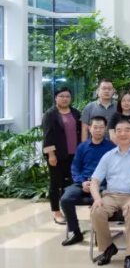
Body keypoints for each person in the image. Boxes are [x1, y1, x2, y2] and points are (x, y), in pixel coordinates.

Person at [89, 119, 130, 268]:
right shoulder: (108, 156)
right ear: (114, 134)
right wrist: (97, 199)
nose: (123, 133)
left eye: (126, 130)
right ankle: (108, 247)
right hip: (111, 195)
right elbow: (94, 181)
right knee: (96, 211)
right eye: (119, 131)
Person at [61, 116, 116, 245]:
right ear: (90, 128)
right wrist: (83, 182)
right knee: (66, 199)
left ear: (105, 129)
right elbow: (75, 168)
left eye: (101, 127)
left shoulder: (111, 148)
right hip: (83, 183)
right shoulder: (82, 147)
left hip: (102, 185)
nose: (98, 130)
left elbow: (114, 170)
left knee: (99, 202)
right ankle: (76, 233)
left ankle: (99, 233)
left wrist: (96, 183)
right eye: (95, 127)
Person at [42, 87, 82, 225]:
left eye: (67, 96)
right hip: (56, 155)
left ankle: (67, 211)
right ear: (55, 98)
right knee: (55, 183)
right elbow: (47, 136)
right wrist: (51, 155)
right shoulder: (50, 114)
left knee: (68, 184)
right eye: (62, 96)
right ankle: (57, 212)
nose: (65, 99)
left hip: (73, 154)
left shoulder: (75, 112)